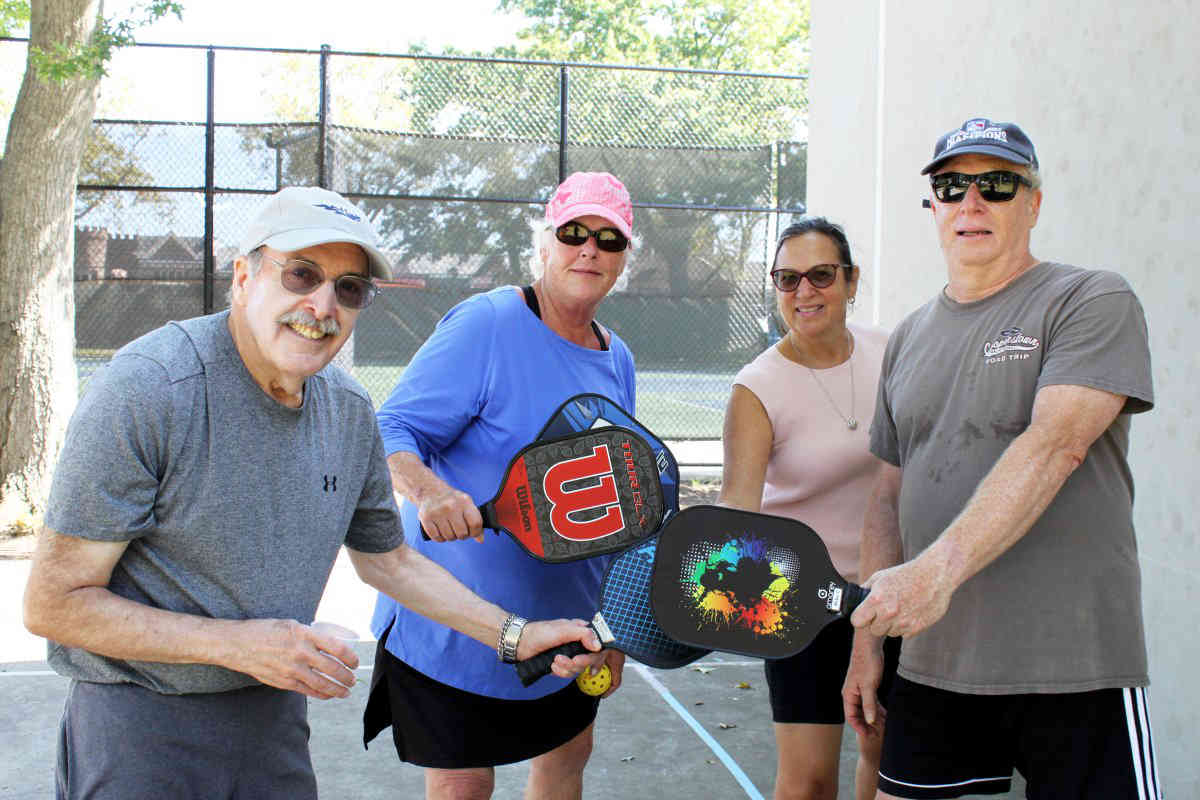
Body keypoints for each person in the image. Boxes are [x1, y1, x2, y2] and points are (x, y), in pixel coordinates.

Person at [22, 186, 599, 800]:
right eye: (301, 274)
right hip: (138, 723)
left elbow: (390, 560)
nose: (321, 304)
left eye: (349, 289)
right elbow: (54, 604)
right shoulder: (152, 388)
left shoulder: (347, 410)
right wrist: (239, 645)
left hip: (273, 718)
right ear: (244, 277)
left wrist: (514, 635)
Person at [842, 118, 1160, 799]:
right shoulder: (908, 338)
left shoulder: (1089, 298)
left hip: (1076, 662)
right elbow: (887, 498)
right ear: (933, 206)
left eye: (998, 184)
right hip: (933, 661)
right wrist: (868, 644)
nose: (972, 202)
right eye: (952, 186)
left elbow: (1057, 445)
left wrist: (934, 573)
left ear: (1034, 202)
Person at [363, 171, 637, 800]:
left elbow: (615, 492)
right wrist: (430, 492)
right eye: (573, 233)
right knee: (463, 787)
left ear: (624, 259)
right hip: (458, 628)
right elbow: (392, 426)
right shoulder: (486, 324)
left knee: (566, 762)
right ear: (545, 244)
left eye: (608, 238)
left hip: (570, 633)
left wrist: (613, 626)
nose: (589, 249)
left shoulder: (615, 356)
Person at [719, 217, 899, 800]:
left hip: (890, 590)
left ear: (851, 281)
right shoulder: (756, 388)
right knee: (808, 783)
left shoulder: (892, 351)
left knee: (884, 754)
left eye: (821, 275)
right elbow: (737, 516)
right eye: (787, 279)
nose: (803, 291)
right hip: (800, 604)